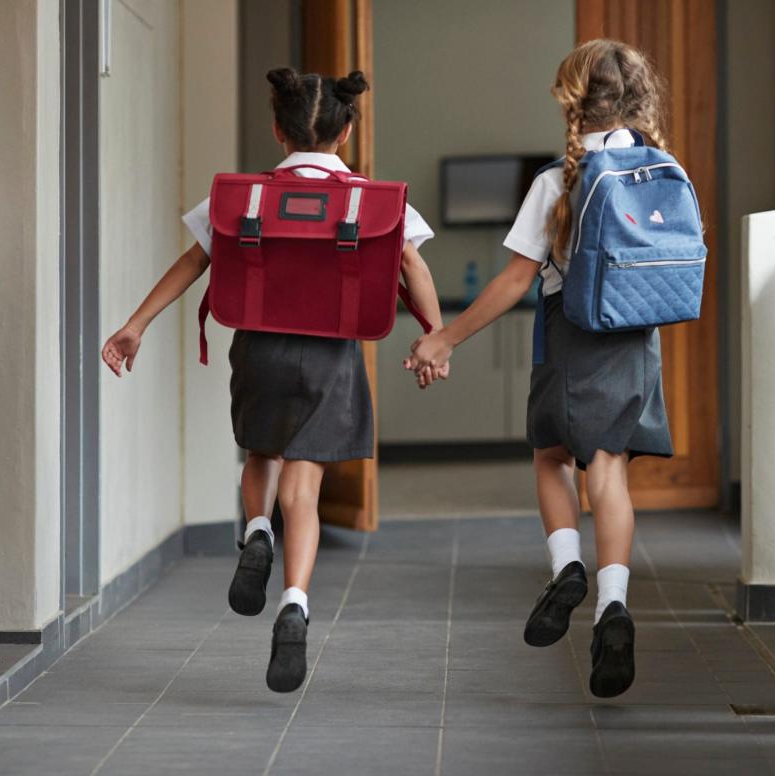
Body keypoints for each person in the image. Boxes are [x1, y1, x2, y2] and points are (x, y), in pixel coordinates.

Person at [101, 67, 445, 693]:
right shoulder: (371, 200)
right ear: (345, 135)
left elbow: (193, 262)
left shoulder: (244, 198)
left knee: (262, 451)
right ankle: (294, 602)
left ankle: (255, 532)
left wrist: (135, 324)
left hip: (258, 348)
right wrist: (434, 336)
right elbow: (412, 264)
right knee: (304, 487)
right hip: (330, 356)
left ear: (277, 131)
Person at [407, 39, 674, 698]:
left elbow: (514, 280)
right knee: (606, 470)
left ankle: (567, 569)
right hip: (636, 341)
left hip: (571, 336)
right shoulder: (662, 169)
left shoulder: (559, 179)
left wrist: (444, 338)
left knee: (551, 456)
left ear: (571, 99)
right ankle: (613, 606)